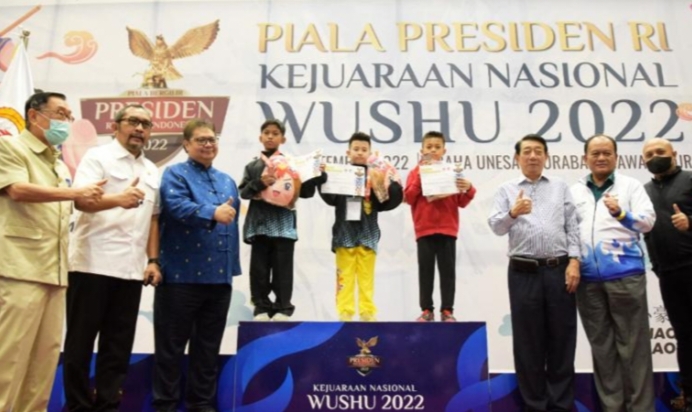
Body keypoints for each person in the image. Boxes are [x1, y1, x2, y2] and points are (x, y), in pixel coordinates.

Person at [0, 91, 104, 412]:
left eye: (70, 116)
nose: (66, 122)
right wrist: (74, 193)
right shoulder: (9, 147)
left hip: (55, 272)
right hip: (19, 268)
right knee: (9, 358)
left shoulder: (58, 163)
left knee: (43, 361)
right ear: (34, 115)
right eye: (60, 114)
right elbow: (17, 190)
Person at [63, 104, 162, 412]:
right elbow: (81, 201)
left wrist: (153, 260)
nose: (140, 128)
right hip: (92, 263)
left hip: (130, 270)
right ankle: (78, 406)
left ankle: (108, 405)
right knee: (80, 344)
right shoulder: (97, 157)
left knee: (117, 347)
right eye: (133, 121)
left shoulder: (151, 169)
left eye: (146, 124)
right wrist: (119, 199)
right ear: (115, 125)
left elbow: (153, 218)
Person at [152, 119, 241, 412]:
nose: (208, 144)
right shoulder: (174, 174)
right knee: (170, 348)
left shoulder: (227, 180)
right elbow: (177, 208)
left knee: (208, 349)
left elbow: (232, 226)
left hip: (219, 280)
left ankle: (201, 404)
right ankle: (165, 405)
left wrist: (231, 269)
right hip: (180, 277)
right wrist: (212, 212)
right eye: (201, 139)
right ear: (186, 144)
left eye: (212, 139)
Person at [487, 134, 580, 412]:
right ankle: (534, 406)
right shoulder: (506, 189)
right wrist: (513, 213)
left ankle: (561, 406)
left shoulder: (560, 187)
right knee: (528, 343)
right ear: (517, 157)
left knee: (562, 340)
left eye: (538, 151)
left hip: (559, 269)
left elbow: (573, 226)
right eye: (526, 151)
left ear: (546, 156)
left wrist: (575, 261)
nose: (532, 156)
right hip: (523, 272)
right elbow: (496, 227)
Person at [570, 134, 655, 412]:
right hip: (587, 282)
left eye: (607, 153)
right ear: (585, 158)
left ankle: (640, 408)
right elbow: (569, 231)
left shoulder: (630, 186)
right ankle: (612, 408)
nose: (601, 157)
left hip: (626, 277)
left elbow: (648, 222)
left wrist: (621, 214)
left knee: (634, 348)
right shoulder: (574, 191)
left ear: (616, 157)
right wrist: (573, 262)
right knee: (602, 349)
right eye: (595, 153)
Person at [239, 119, 325, 321]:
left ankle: (283, 307)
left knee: (283, 270)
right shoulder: (252, 166)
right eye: (266, 133)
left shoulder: (293, 165)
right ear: (260, 137)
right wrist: (260, 183)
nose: (270, 136)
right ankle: (261, 307)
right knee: (259, 270)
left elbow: (306, 192)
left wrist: (316, 176)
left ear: (283, 139)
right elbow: (243, 193)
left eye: (275, 133)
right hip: (259, 225)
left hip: (284, 226)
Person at [319, 132, 403, 322]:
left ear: (370, 153)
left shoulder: (376, 175)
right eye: (356, 149)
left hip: (368, 233)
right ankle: (345, 313)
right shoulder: (340, 175)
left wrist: (388, 184)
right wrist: (322, 178)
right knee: (344, 275)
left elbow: (384, 202)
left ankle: (367, 312)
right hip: (344, 233)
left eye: (364, 150)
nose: (359, 152)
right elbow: (330, 198)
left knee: (366, 276)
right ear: (348, 152)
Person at [641, 137, 692, 412]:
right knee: (684, 336)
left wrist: (690, 222)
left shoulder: (689, 179)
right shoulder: (644, 192)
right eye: (649, 154)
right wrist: (657, 267)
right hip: (669, 275)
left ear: (674, 153)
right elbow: (646, 232)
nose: (655, 157)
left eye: (660, 151)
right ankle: (689, 395)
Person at [403, 131, 476, 322]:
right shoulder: (415, 172)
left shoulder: (451, 171)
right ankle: (426, 310)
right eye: (429, 147)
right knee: (425, 271)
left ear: (444, 150)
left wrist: (469, 188)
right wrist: (420, 176)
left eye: (437, 147)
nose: (433, 150)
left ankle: (447, 310)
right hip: (424, 230)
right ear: (421, 151)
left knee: (448, 272)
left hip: (447, 229)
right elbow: (408, 197)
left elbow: (462, 201)